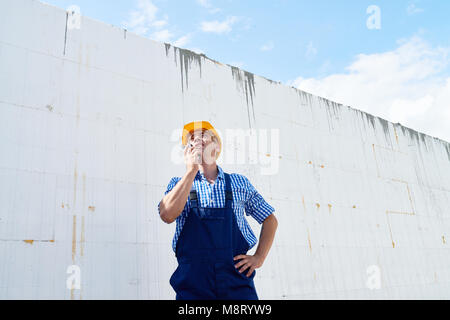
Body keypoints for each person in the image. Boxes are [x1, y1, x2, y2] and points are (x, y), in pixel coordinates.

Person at [158, 121, 278, 300]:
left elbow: (270, 220)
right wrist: (191, 171)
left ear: (217, 145)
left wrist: (259, 257)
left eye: (203, 135)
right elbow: (166, 215)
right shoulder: (178, 184)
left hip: (237, 285)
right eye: (192, 138)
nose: (197, 140)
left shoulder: (239, 183)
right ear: (187, 150)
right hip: (192, 286)